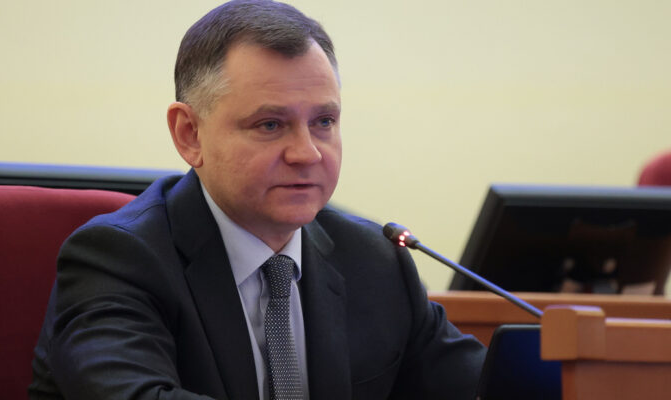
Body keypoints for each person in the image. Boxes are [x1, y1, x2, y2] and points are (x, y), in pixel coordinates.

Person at [29, 1, 486, 399]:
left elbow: (481, 386)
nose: (307, 153)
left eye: (324, 122)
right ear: (189, 134)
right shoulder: (118, 260)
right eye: (270, 125)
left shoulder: (376, 260)